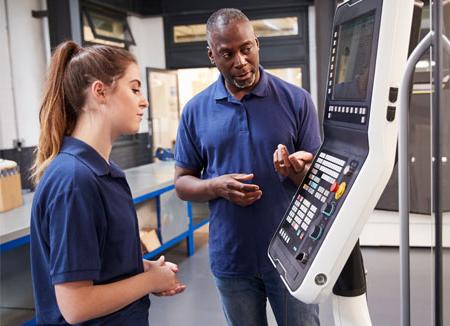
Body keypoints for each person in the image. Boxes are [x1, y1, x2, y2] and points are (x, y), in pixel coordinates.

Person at [174, 8, 321, 326]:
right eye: (227, 53)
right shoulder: (195, 111)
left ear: (257, 44)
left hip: (293, 256)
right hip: (232, 259)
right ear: (212, 55)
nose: (239, 61)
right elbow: (182, 182)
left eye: (246, 49)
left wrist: (297, 171)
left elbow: (320, 181)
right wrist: (216, 186)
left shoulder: (296, 100)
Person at [30, 41, 185, 325]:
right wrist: (149, 281)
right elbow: (76, 305)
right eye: (135, 88)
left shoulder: (104, 171)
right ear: (100, 91)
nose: (144, 100)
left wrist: (143, 268)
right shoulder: (74, 181)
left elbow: (99, 262)